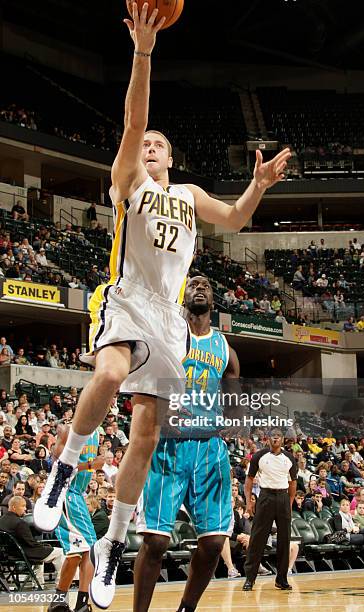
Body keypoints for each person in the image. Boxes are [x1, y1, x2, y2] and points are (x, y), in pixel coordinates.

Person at [33, 4, 290, 610]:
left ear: (170, 158)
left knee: (145, 436)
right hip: (126, 298)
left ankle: (113, 546)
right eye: (143, 142)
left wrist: (257, 185)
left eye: (156, 145)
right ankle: (63, 471)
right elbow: (132, 122)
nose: (147, 146)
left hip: (170, 320)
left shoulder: (188, 193)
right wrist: (143, 52)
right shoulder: (129, 182)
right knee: (110, 373)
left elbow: (234, 218)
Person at [133, 275, 240, 612]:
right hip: (169, 446)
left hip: (210, 448)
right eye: (193, 284)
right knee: (156, 541)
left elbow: (234, 389)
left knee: (213, 542)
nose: (200, 288)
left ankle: (186, 609)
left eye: (206, 285)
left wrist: (233, 418)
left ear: (213, 299)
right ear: (183, 296)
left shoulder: (225, 348)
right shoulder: (166, 336)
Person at [48, 425, 102, 612]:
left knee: (87, 551)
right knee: (77, 552)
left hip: (77, 495)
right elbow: (59, 468)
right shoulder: (67, 430)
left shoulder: (97, 432)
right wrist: (90, 465)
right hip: (63, 492)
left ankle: (80, 603)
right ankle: (59, 599)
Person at [243, 429, 297, 591]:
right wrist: (248, 503)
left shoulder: (289, 458)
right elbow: (249, 479)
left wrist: (290, 502)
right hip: (265, 496)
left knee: (284, 539)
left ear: (282, 439)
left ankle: (281, 579)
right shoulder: (259, 456)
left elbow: (293, 482)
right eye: (273, 437)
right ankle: (249, 579)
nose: (276, 439)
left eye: (278, 436)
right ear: (268, 439)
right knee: (257, 539)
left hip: (283, 497)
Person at [0, 496, 63, 586]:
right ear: (14, 507)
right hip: (24, 553)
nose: (25, 509)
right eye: (23, 506)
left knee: (41, 552)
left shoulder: (1, 521)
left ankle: (38, 584)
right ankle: (61, 583)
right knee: (60, 552)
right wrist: (45, 546)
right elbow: (31, 543)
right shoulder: (19, 523)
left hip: (9, 554)